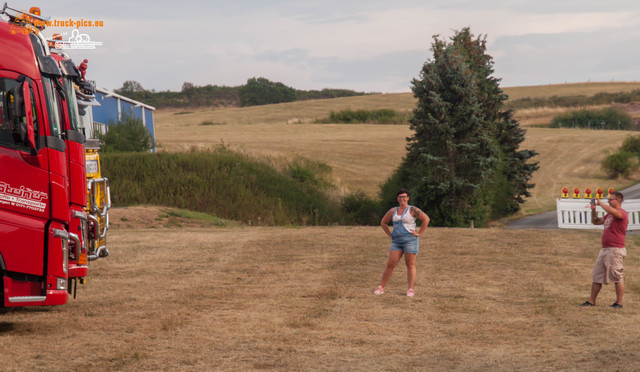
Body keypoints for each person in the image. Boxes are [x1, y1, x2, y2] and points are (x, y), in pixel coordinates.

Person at [373, 189, 429, 297]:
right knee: (390, 264)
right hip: (396, 241)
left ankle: (410, 289)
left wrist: (419, 233)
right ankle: (381, 287)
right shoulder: (393, 211)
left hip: (410, 240)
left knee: (410, 264)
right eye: (399, 197)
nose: (402, 199)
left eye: (404, 197)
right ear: (397, 199)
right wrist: (390, 234)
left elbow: (426, 219)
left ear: (408, 198)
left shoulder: (412, 209)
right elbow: (383, 222)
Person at [580, 191, 628, 308]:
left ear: (618, 201)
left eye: (611, 199)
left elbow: (614, 212)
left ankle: (619, 303)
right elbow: (596, 222)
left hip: (615, 249)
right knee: (597, 275)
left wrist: (601, 203)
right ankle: (591, 301)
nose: (608, 201)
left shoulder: (622, 213)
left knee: (617, 276)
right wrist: (593, 210)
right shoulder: (609, 215)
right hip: (605, 249)